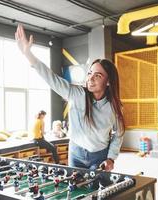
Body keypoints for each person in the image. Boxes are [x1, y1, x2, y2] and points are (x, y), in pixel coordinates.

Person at [15, 24, 125, 172]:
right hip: (75, 154)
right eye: (89, 73)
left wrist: (111, 158)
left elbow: (119, 134)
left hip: (99, 156)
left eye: (98, 76)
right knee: (75, 191)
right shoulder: (76, 93)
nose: (90, 79)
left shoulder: (114, 107)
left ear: (108, 81)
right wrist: (28, 54)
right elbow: (51, 79)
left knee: (97, 193)